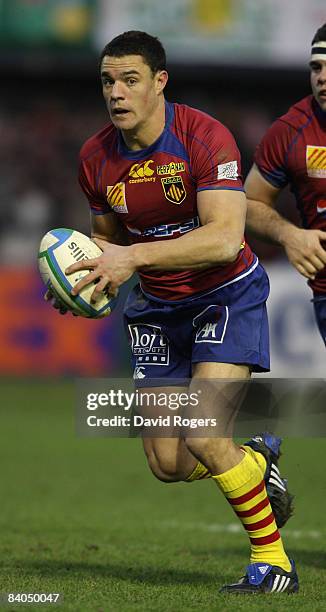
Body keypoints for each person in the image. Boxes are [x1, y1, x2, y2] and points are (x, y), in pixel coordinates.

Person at [48, 31, 297, 594]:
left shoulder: (204, 137)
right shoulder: (94, 158)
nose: (117, 92)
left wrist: (131, 256)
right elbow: (105, 241)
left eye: (130, 79)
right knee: (168, 464)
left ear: (160, 82)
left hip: (224, 297)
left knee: (206, 436)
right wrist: (85, 284)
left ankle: (273, 561)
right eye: (108, 81)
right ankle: (255, 461)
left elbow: (226, 239)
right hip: (158, 311)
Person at [245, 23, 326, 346]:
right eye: (316, 67)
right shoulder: (291, 131)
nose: (322, 77)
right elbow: (248, 206)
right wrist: (289, 235)